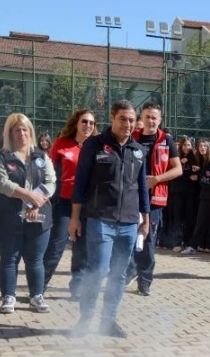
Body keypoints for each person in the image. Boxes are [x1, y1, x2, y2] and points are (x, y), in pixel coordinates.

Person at [68, 99, 149, 338]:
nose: (127, 124)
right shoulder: (94, 145)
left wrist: (145, 219)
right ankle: (85, 321)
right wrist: (75, 218)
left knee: (119, 275)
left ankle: (108, 323)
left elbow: (142, 188)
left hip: (129, 222)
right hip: (100, 220)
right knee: (98, 271)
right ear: (112, 118)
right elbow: (80, 183)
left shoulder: (138, 150)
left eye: (131, 120)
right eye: (122, 119)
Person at [0, 113, 56, 314]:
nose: (21, 133)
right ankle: (8, 297)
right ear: (9, 133)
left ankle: (36, 296)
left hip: (39, 217)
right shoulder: (1, 157)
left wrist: (36, 204)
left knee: (35, 259)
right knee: (9, 258)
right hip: (7, 218)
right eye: (17, 130)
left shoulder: (41, 156)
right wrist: (28, 195)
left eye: (25, 129)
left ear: (31, 132)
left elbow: (51, 182)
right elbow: (3, 184)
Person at [126, 102, 182, 295]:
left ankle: (145, 281)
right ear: (141, 118)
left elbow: (178, 169)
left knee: (148, 240)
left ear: (160, 120)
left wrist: (157, 179)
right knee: (127, 235)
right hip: (130, 196)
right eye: (147, 117)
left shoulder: (166, 140)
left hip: (155, 199)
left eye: (154, 117)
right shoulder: (131, 138)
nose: (150, 120)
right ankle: (129, 271)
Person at [42, 108, 97, 298]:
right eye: (84, 121)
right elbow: (48, 172)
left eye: (91, 123)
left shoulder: (97, 147)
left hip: (87, 204)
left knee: (83, 250)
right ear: (76, 123)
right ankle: (39, 287)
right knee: (56, 246)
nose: (88, 125)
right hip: (64, 202)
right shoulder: (62, 143)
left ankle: (78, 289)